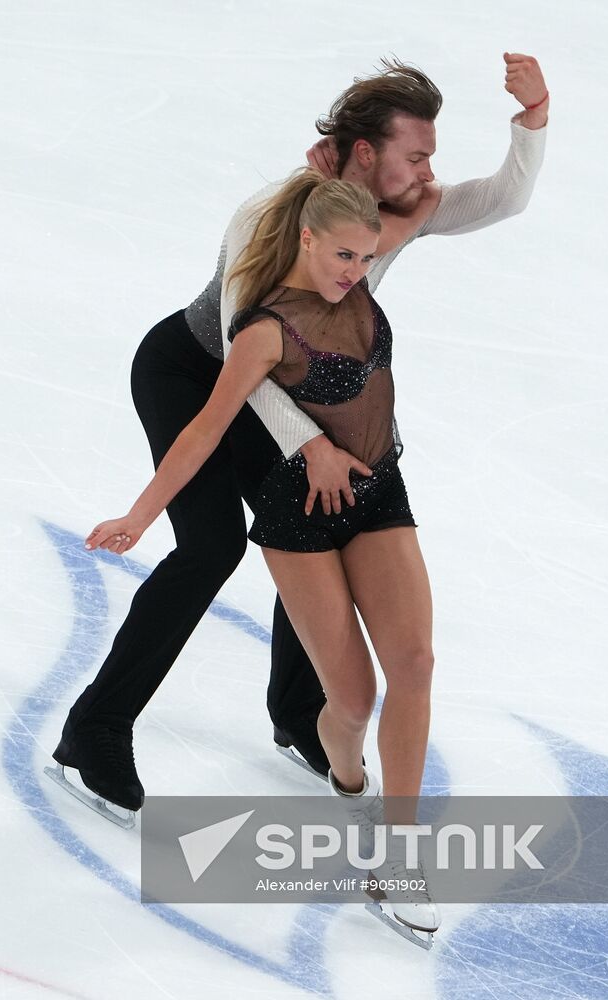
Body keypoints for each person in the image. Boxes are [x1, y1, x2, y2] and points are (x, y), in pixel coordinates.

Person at [50, 53, 549, 815]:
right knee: (211, 547)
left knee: (317, 516)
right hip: (196, 372)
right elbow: (241, 344)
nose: (426, 172)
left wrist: (534, 116)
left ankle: (296, 712)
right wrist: (308, 442)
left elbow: (502, 198)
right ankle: (96, 728)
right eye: (415, 155)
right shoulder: (273, 217)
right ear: (364, 153)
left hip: (288, 389)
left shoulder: (399, 209)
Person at [83, 172, 442, 941]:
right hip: (302, 514)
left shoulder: (362, 274)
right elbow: (205, 431)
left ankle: (400, 860)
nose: (354, 273)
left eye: (365, 259)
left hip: (379, 492)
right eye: (342, 255)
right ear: (307, 239)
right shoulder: (262, 329)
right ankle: (348, 782)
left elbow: (446, 212)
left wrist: (528, 130)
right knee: (350, 704)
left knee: (414, 664)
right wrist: (141, 516)